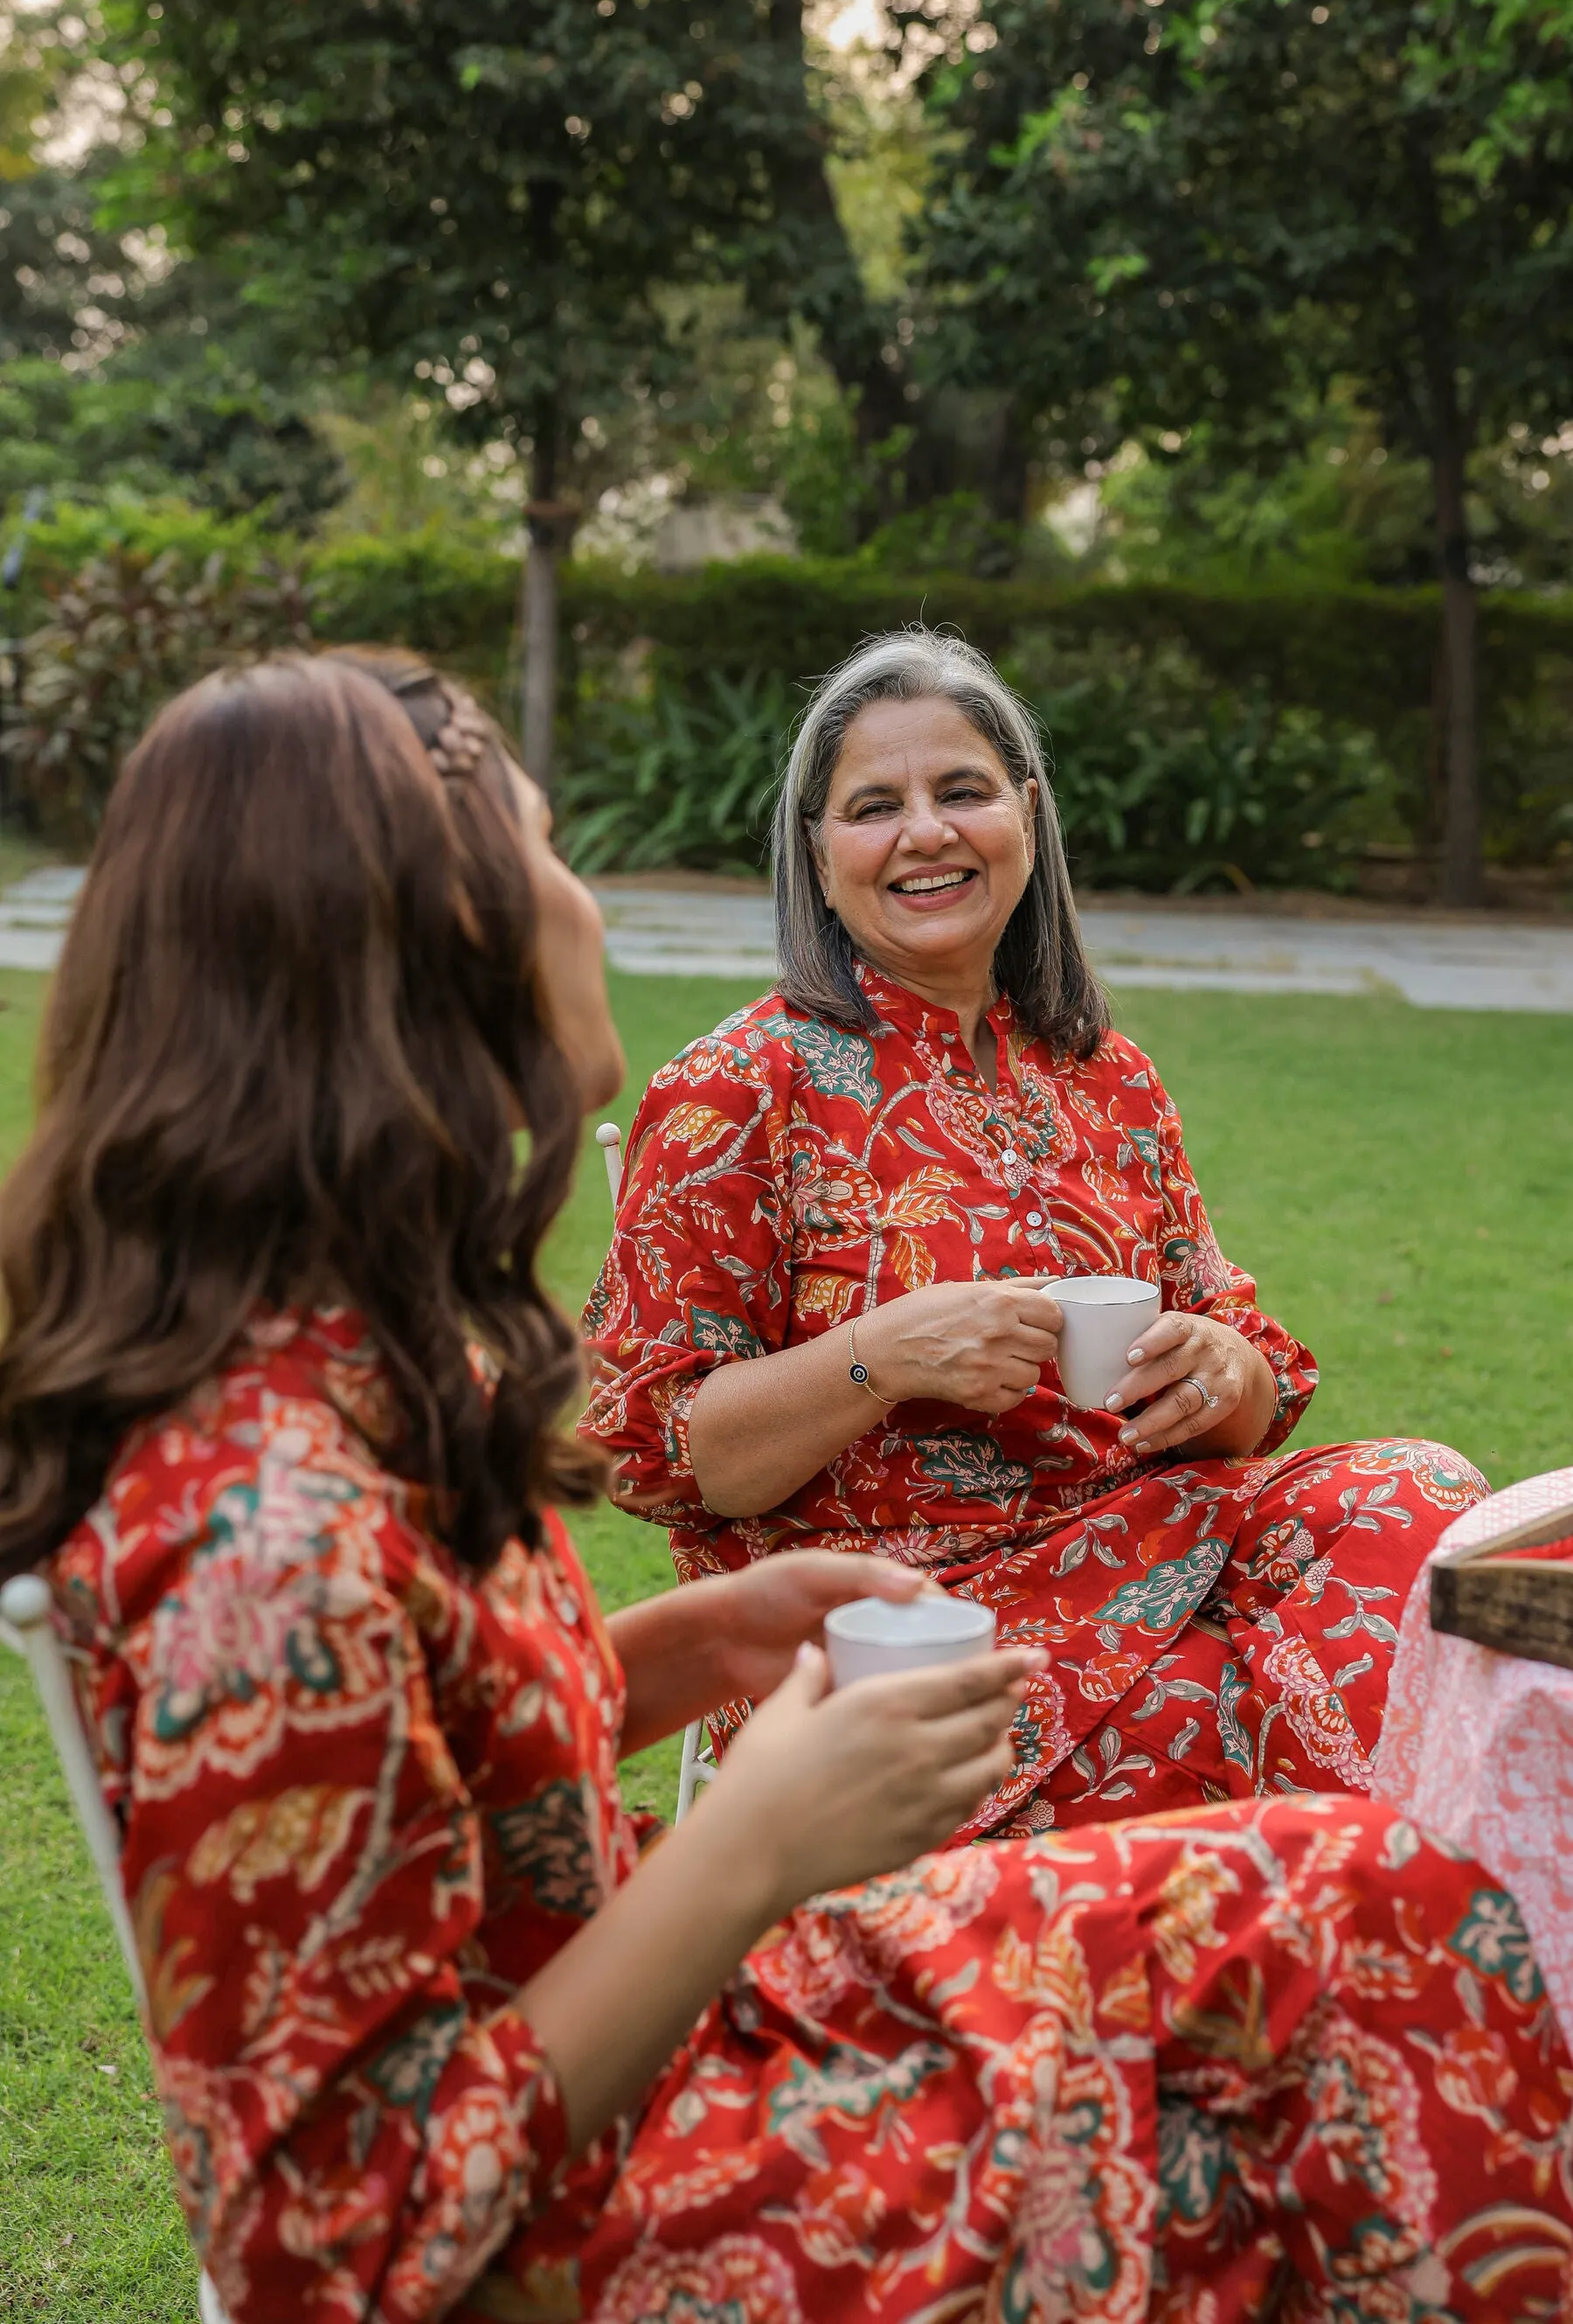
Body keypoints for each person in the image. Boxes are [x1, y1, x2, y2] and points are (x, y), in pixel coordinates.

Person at [3, 652, 1567, 2323]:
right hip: (669, 2152)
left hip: (727, 2018)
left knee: (1377, 1865)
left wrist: (703, 1641)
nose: (588, 901)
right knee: (1373, 1949)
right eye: (545, 852)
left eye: (961, 791)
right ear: (409, 944)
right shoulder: (261, 1528)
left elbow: (429, 1755)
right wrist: (750, 1843)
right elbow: (335, 2256)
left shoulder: (361, 1378)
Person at [583, 629, 1484, 1839]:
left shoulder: (1106, 1077)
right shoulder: (742, 1087)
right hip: (903, 1610)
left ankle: (1365, 1904)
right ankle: (1368, 1908)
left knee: (1426, 1502)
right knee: (1224, 1704)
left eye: (961, 790)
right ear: (818, 851)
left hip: (1155, 1538)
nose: (925, 832)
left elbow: (1248, 1397)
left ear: (1027, 811)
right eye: (873, 806)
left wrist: (1226, 1369)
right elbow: (668, 1454)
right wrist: (881, 1357)